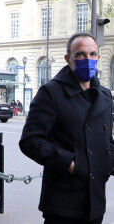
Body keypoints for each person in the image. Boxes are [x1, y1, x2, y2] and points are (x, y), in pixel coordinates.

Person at [19, 32, 114, 224]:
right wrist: (71, 163)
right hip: (63, 202)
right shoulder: (51, 92)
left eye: (92, 54)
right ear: (68, 59)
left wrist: (109, 163)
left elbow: (107, 141)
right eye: (80, 55)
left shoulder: (105, 95)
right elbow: (30, 141)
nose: (87, 60)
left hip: (96, 199)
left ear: (98, 57)